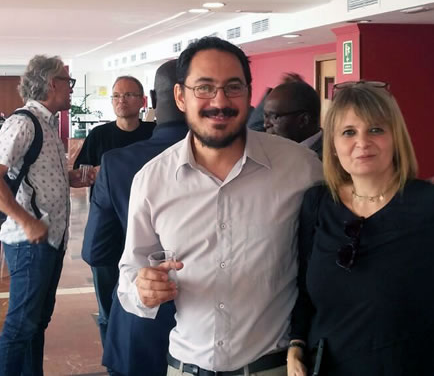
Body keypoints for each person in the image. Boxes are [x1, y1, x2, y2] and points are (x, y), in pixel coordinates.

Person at [118, 37, 324, 376]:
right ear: (180, 96)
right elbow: (130, 274)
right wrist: (142, 289)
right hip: (185, 367)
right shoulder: (152, 181)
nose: (220, 101)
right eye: (204, 88)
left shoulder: (301, 168)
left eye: (233, 87)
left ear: (248, 93)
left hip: (272, 367)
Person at [287, 82, 434, 375]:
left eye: (376, 129)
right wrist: (296, 344)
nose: (362, 142)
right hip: (329, 367)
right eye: (349, 132)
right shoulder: (316, 204)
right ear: (333, 145)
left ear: (396, 138)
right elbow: (303, 288)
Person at [0, 54, 96, 376]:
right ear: (52, 84)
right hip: (30, 244)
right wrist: (27, 221)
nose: (71, 89)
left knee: (35, 324)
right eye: (68, 82)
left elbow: (38, 175)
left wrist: (73, 177)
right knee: (20, 327)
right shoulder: (23, 123)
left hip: (50, 240)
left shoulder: (46, 124)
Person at [81, 60, 186, 376]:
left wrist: (136, 264)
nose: (121, 101)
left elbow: (95, 251)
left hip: (143, 319)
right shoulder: (245, 159)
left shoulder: (116, 164)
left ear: (149, 100)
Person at [75, 74, 156, 347]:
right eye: (117, 96)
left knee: (146, 300)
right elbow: (79, 174)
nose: (121, 100)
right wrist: (98, 173)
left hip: (148, 227)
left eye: (128, 95)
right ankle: (112, 355)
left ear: (142, 101)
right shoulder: (99, 135)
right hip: (108, 228)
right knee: (108, 302)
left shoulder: (154, 133)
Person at [262, 79, 323, 158]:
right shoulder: (267, 151)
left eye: (274, 117)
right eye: (266, 116)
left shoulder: (330, 158)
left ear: (304, 120)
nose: (265, 124)